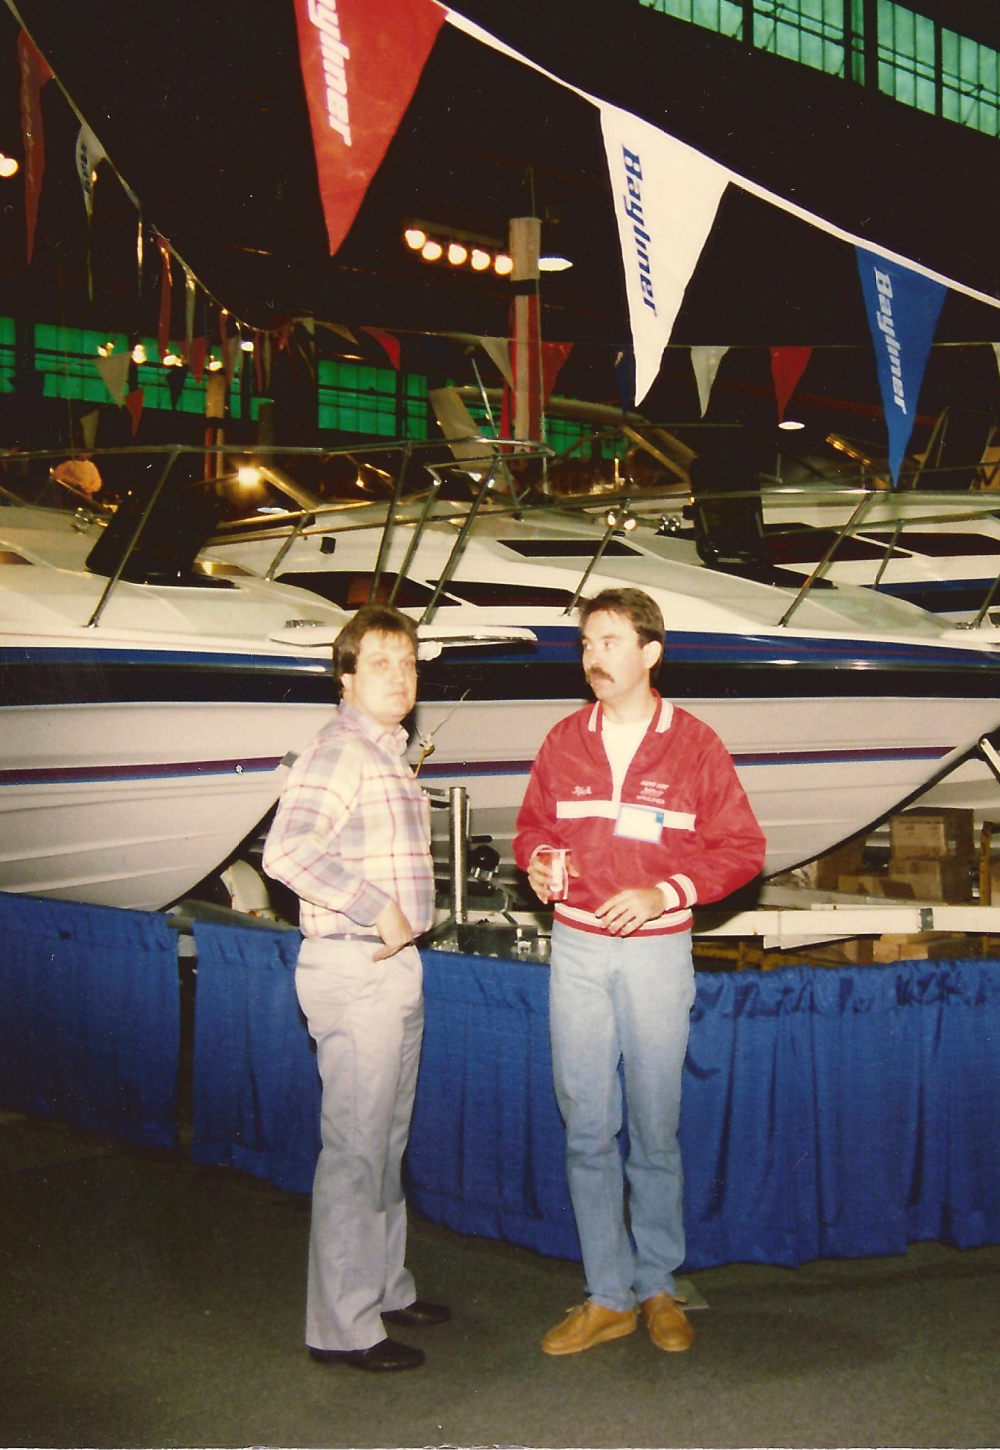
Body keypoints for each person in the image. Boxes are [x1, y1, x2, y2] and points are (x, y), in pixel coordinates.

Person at [514, 587, 765, 1358]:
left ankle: (658, 1284)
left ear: (651, 653)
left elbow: (743, 850)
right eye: (587, 643)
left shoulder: (695, 744)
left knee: (656, 1127)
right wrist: (539, 861)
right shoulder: (564, 741)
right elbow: (530, 830)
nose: (594, 657)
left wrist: (667, 891)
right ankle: (607, 1295)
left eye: (611, 642)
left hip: (657, 952)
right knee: (587, 1126)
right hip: (577, 950)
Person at [263, 603, 448, 1374]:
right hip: (355, 964)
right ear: (345, 678)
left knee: (385, 1143)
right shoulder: (341, 752)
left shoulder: (387, 754)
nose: (399, 676)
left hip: (389, 967)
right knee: (356, 1149)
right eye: (379, 663)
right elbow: (286, 853)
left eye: (407, 663)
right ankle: (342, 1327)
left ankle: (383, 1288)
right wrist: (377, 907)